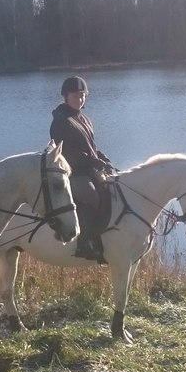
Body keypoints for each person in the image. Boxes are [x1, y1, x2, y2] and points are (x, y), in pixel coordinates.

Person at [49, 75, 116, 262]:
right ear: (66, 96)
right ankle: (83, 243)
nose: (80, 99)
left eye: (83, 95)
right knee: (92, 197)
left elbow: (90, 147)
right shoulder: (60, 121)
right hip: (72, 172)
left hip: (88, 169)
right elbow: (68, 153)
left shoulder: (83, 118)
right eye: (76, 96)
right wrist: (92, 162)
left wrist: (101, 158)